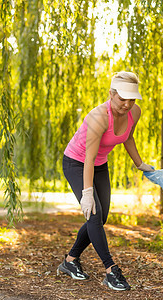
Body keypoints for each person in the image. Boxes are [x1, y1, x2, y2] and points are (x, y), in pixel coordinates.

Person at [57, 71, 155, 291]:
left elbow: (128, 137)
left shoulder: (134, 112)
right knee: (94, 213)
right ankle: (111, 270)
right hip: (77, 162)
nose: (128, 104)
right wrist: (87, 193)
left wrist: (140, 164)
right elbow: (88, 158)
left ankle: (70, 261)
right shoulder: (98, 117)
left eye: (132, 99)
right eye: (123, 98)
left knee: (101, 218)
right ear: (111, 94)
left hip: (99, 164)